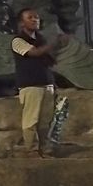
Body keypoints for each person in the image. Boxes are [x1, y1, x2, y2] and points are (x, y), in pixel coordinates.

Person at [11, 8, 68, 155]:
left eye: (36, 17)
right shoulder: (18, 41)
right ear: (21, 23)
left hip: (46, 84)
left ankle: (45, 149)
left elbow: (47, 59)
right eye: (30, 17)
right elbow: (34, 53)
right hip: (30, 85)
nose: (35, 20)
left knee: (46, 121)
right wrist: (54, 43)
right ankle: (32, 150)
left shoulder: (41, 40)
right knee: (31, 121)